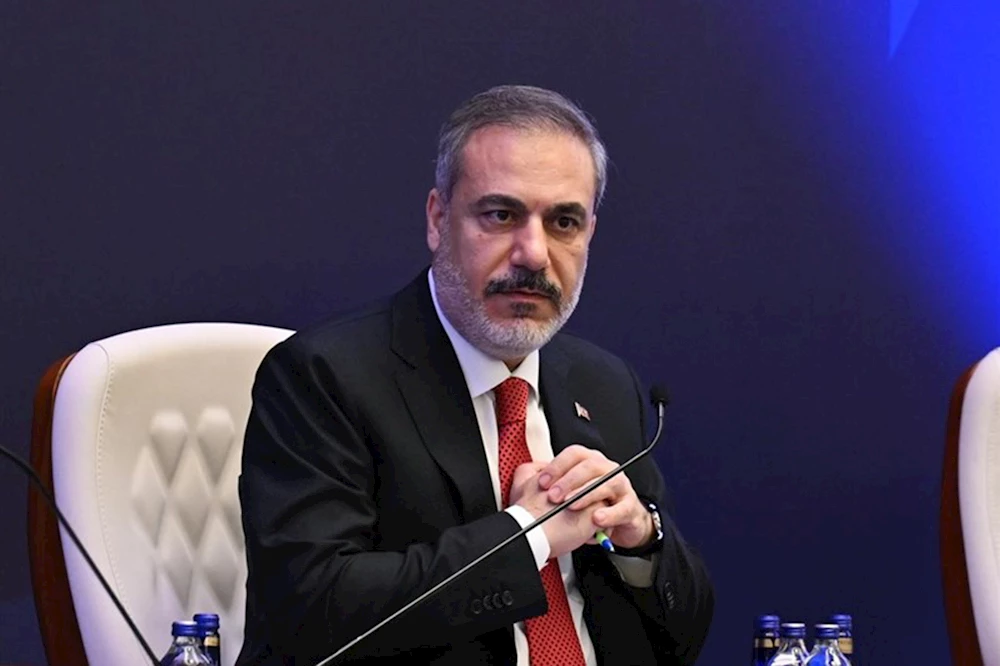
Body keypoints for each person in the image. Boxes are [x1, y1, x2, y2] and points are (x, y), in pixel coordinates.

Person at [237, 85, 713, 666]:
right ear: (438, 219)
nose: (534, 254)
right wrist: (528, 532)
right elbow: (312, 614)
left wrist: (641, 538)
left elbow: (684, 639)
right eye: (501, 215)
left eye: (563, 221)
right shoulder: (325, 377)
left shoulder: (605, 384)